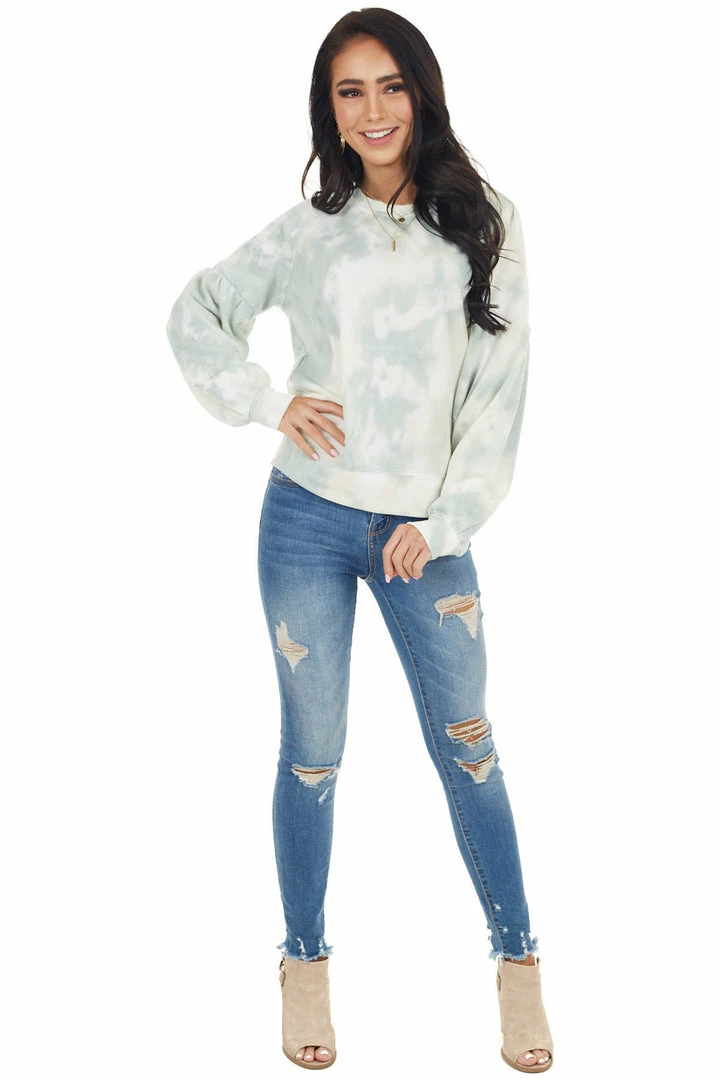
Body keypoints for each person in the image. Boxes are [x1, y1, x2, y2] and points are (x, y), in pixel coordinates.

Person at [166, 7, 553, 1073]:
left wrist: (445, 523)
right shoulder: (309, 232)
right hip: (304, 519)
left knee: (469, 748)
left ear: (421, 94)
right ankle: (303, 966)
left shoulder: (486, 223)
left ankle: (520, 965)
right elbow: (196, 313)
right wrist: (267, 402)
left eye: (390, 86)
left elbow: (499, 395)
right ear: (328, 111)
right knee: (312, 755)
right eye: (350, 91)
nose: (373, 110)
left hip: (427, 533)